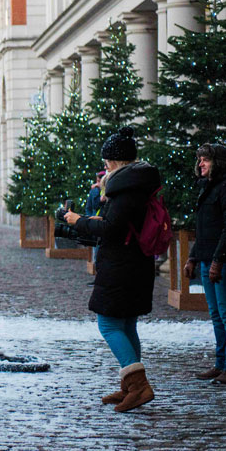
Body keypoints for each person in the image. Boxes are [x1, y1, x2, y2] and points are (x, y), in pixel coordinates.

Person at [64, 126, 160, 412]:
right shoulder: (135, 184)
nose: (104, 166)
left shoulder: (126, 189)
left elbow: (112, 228)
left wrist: (78, 220)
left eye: (107, 161)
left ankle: (139, 386)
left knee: (107, 324)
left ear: (116, 162)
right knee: (126, 324)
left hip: (122, 266)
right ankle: (130, 387)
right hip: (133, 264)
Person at [185, 143, 226, 385]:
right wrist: (193, 257)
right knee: (217, 315)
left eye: (205, 160)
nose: (200, 164)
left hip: (224, 263)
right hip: (207, 260)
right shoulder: (208, 187)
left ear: (217, 163)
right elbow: (205, 230)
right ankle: (221, 363)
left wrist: (217, 261)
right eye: (199, 159)